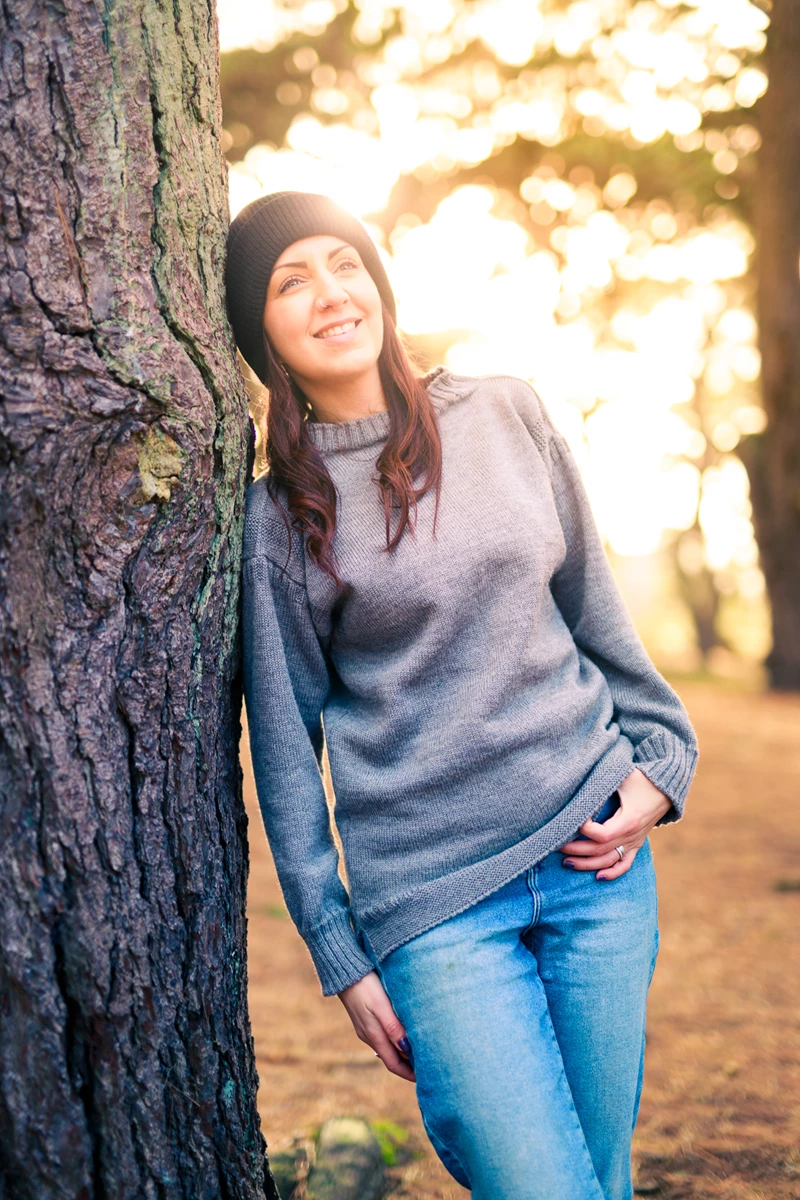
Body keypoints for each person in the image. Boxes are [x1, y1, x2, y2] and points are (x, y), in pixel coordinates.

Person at [224, 190, 699, 1200]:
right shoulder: (277, 519)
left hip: (594, 861)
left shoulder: (503, 410)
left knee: (596, 1181)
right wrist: (339, 954)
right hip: (434, 907)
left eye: (343, 263)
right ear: (257, 331)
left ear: (379, 282)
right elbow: (282, 749)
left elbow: (595, 614)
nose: (330, 293)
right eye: (290, 280)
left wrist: (660, 766)